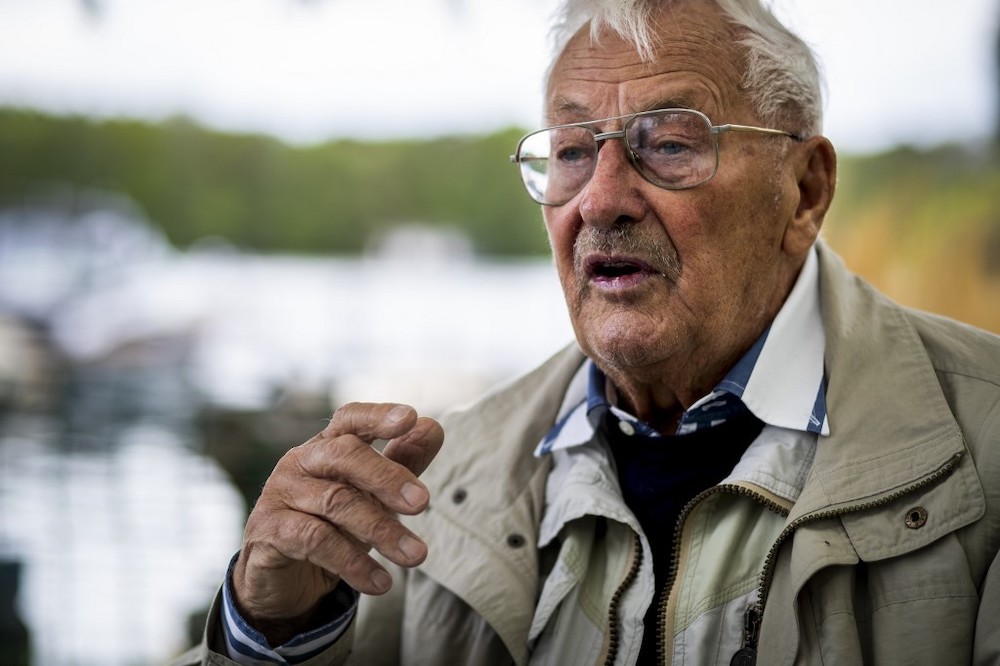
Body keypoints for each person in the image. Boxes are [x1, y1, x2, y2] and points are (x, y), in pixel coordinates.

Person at [172, 0, 1000, 663]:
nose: (600, 200)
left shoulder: (984, 447)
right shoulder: (433, 485)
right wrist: (270, 635)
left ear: (806, 191)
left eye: (670, 144)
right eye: (571, 150)